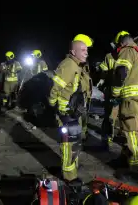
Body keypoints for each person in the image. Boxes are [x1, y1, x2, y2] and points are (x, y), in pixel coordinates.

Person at [48, 34, 93, 183]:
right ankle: (69, 177)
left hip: (74, 113)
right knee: (69, 145)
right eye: (82, 50)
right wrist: (53, 105)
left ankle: (71, 169)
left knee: (74, 143)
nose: (86, 52)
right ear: (73, 52)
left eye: (86, 50)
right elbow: (54, 88)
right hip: (66, 114)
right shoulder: (68, 65)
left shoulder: (79, 66)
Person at [110, 31, 138, 173]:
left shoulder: (127, 51)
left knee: (131, 132)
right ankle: (124, 158)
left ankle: (135, 166)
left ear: (121, 42)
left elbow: (121, 72)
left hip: (131, 98)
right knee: (128, 130)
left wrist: (114, 92)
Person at [99, 51, 119, 150]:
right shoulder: (109, 56)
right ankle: (106, 139)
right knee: (109, 116)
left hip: (118, 91)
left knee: (113, 117)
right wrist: (102, 80)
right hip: (112, 90)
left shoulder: (126, 54)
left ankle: (110, 138)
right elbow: (104, 71)